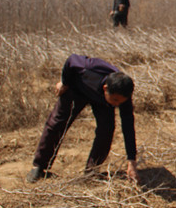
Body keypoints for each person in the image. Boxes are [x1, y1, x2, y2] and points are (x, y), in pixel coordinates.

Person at [26, 54, 140, 184]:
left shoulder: (122, 94)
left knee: (106, 130)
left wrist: (131, 161)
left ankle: (92, 170)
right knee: (57, 122)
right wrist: (64, 82)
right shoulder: (89, 68)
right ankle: (39, 166)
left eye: (120, 102)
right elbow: (71, 60)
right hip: (77, 89)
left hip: (102, 101)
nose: (117, 104)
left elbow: (128, 126)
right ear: (105, 89)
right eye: (115, 100)